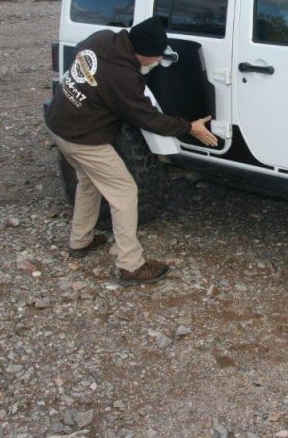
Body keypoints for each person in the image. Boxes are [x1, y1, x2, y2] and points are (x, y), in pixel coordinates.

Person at [44, 16, 217, 285]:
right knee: (124, 192)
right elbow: (148, 118)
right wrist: (189, 127)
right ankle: (131, 266)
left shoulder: (101, 38)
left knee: (88, 182)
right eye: (156, 57)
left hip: (59, 121)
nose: (158, 62)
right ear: (141, 53)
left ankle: (80, 242)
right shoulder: (123, 77)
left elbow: (80, 56)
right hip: (81, 138)